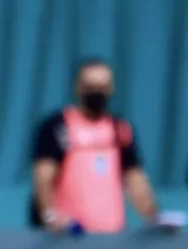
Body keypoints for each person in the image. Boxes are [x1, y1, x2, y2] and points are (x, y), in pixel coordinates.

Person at [30, 57, 159, 233]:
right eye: (90, 87)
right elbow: (43, 178)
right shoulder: (57, 126)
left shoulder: (120, 129)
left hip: (111, 235)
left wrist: (155, 216)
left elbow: (134, 178)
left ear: (111, 89)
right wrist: (50, 216)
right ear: (78, 88)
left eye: (103, 87)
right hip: (69, 235)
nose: (97, 93)